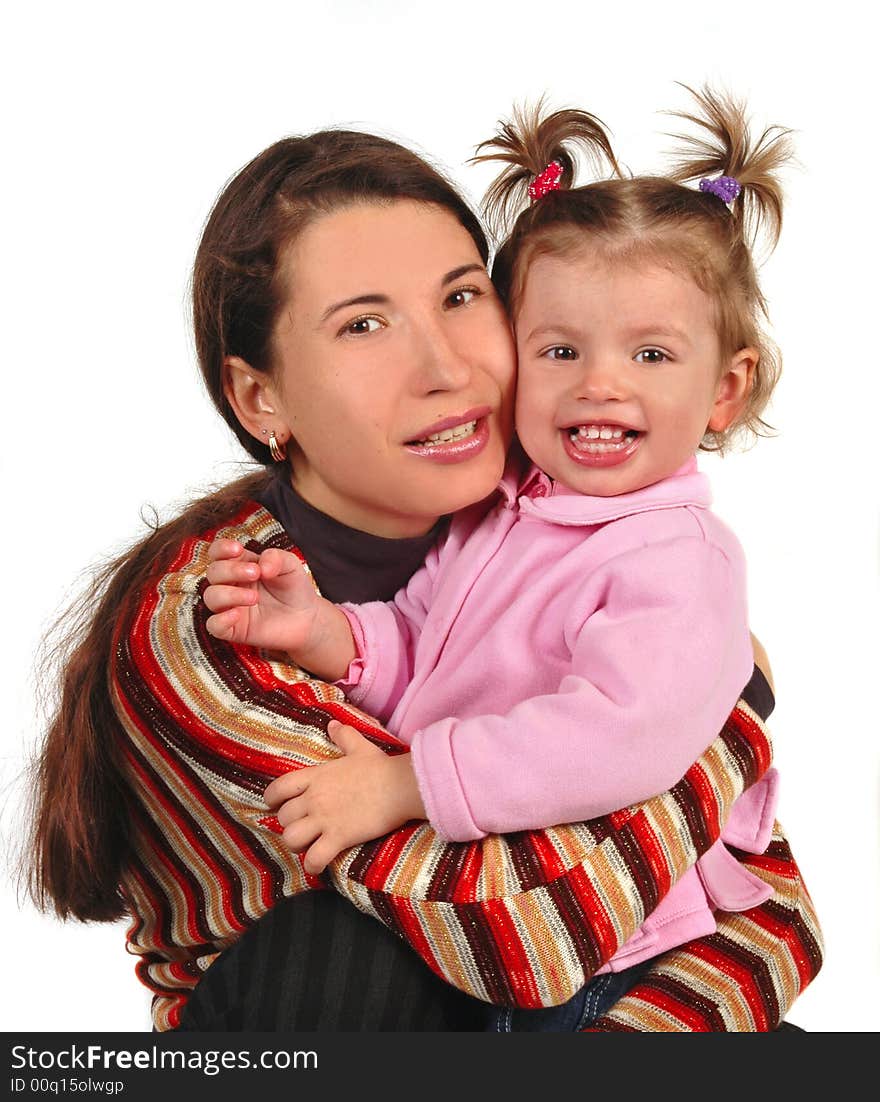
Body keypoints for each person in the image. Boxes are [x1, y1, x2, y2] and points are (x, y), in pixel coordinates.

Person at [28, 120, 821, 1034]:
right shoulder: (214, 620)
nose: (446, 368)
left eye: (460, 296)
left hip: (599, 977)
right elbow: (524, 925)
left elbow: (767, 915)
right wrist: (735, 715)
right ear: (260, 397)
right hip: (318, 1019)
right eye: (364, 324)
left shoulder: (581, 530)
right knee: (350, 957)